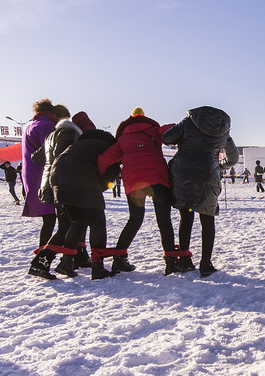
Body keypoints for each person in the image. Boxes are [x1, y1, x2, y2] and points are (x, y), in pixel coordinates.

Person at [98, 107, 177, 275]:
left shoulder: (123, 140)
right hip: (157, 178)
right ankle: (171, 262)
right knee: (164, 220)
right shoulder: (154, 131)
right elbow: (174, 128)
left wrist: (94, 178)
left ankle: (119, 258)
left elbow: (104, 159)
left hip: (134, 182)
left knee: (135, 219)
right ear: (145, 119)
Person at [163, 106, 238, 278]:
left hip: (184, 175)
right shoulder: (223, 131)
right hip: (207, 177)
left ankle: (183, 259)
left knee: (187, 215)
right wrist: (218, 167)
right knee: (207, 218)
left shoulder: (189, 122)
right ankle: (206, 263)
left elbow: (167, 138)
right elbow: (233, 158)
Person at [43, 125, 120, 280]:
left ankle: (66, 263)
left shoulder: (78, 145)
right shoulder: (108, 147)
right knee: (97, 223)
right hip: (82, 182)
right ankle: (98, 268)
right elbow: (110, 175)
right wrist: (98, 190)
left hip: (57, 182)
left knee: (78, 221)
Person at [29, 111, 94, 278]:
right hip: (64, 184)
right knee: (72, 223)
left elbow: (36, 157)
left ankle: (73, 258)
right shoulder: (71, 134)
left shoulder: (51, 136)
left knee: (71, 223)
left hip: (51, 184)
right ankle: (41, 262)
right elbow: (65, 159)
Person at [21, 99, 62, 250]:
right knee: (54, 219)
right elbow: (53, 152)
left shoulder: (29, 126)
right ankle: (43, 256)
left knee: (49, 219)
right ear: (51, 112)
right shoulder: (47, 126)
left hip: (31, 176)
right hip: (44, 176)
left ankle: (43, 254)